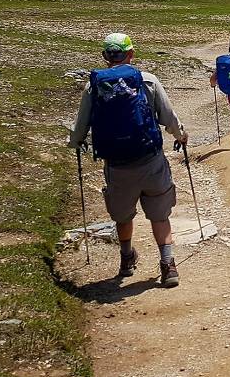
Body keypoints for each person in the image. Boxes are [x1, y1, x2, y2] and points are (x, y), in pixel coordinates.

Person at [69, 33, 188, 287]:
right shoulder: (147, 80)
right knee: (159, 214)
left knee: (123, 216)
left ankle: (126, 259)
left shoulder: (94, 85)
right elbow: (168, 116)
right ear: (131, 54)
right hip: (151, 159)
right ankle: (168, 265)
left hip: (117, 164)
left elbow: (80, 126)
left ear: (105, 56)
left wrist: (76, 142)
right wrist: (181, 135)